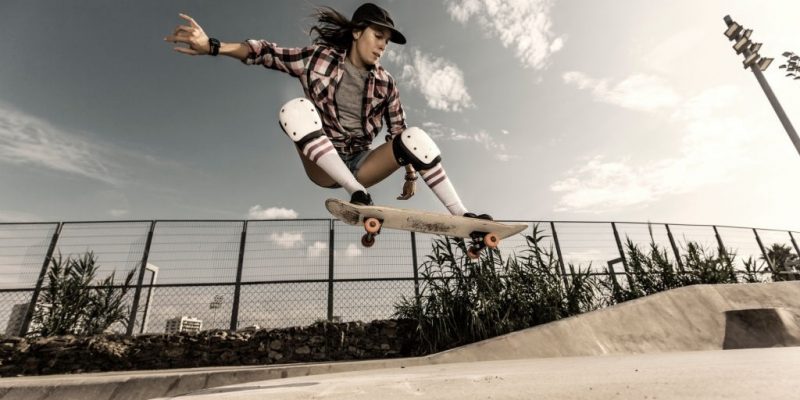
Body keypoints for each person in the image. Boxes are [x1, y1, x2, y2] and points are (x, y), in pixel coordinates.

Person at [164, 3, 490, 219]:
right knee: (295, 109)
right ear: (357, 32)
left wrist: (409, 175)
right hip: (324, 165)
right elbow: (265, 53)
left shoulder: (386, 84)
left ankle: (462, 215)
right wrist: (213, 46)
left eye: (387, 41)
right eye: (378, 36)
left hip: (363, 164)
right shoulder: (317, 59)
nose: (382, 46)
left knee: (415, 136)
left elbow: (399, 134)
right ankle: (357, 195)